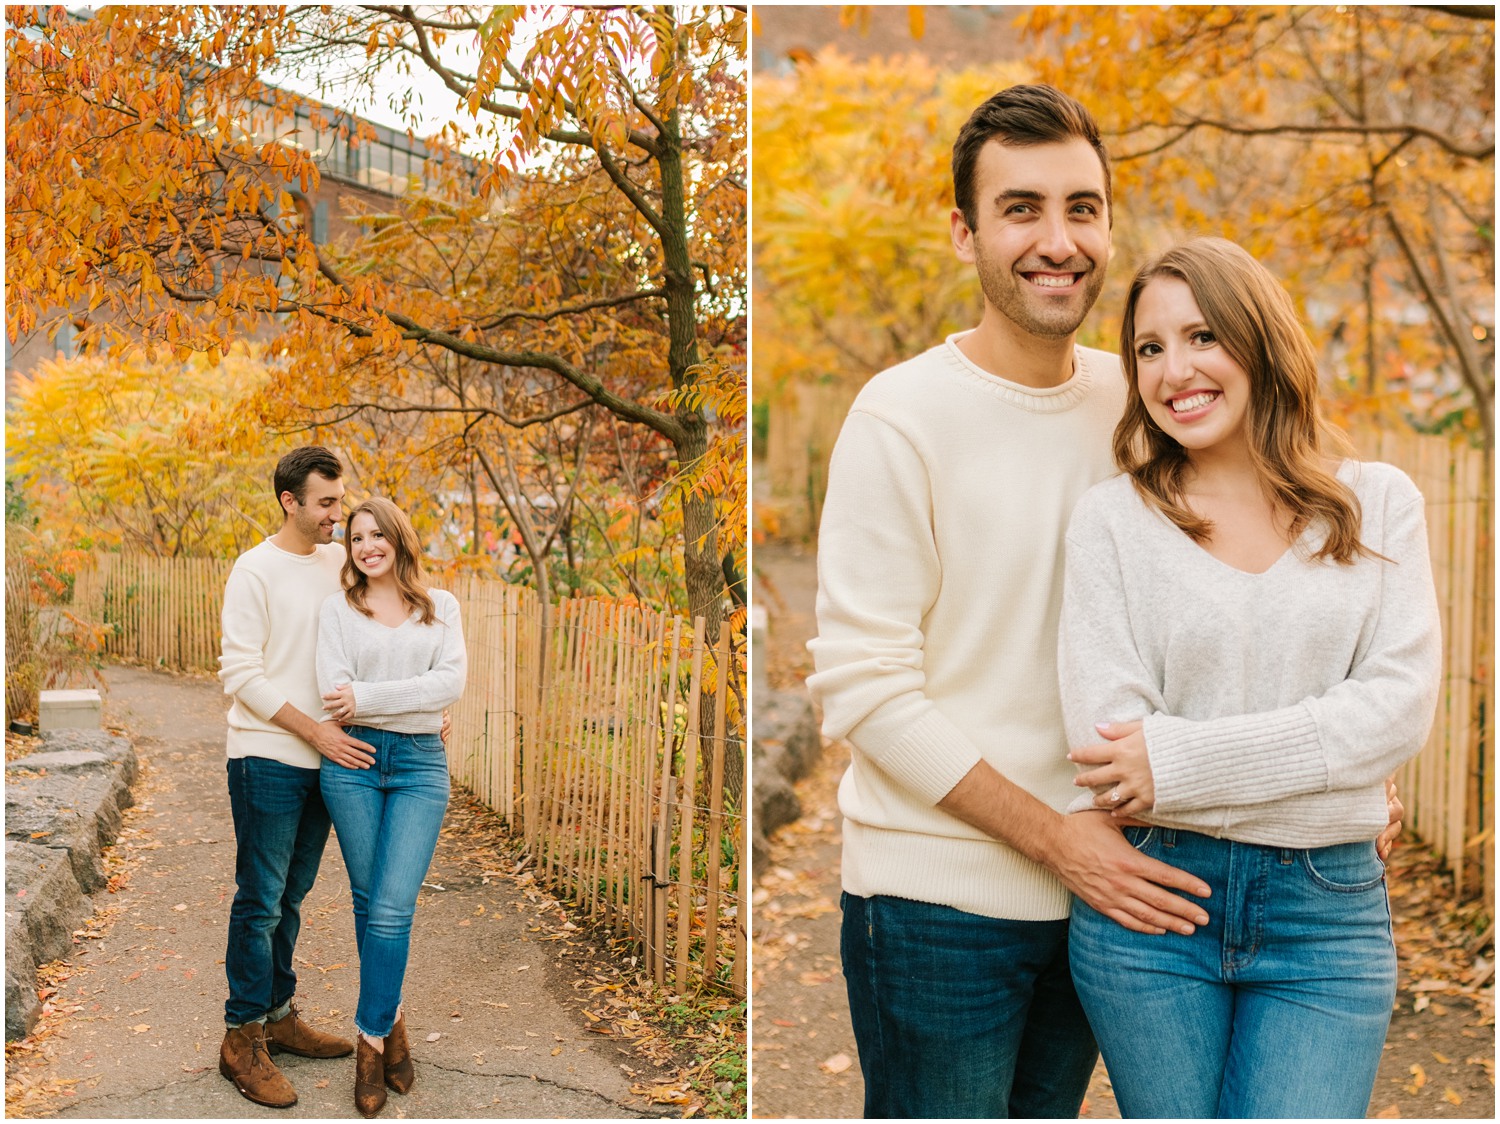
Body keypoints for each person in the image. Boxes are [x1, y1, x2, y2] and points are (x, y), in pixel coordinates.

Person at [806, 85, 1220, 1120]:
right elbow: (866, 687)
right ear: (966, 230)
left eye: (1082, 207)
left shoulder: (1145, 405)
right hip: (936, 902)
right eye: (1022, 207)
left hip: (1105, 902)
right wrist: (1056, 837)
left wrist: (1356, 788)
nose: (1058, 239)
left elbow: (1236, 600)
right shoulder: (900, 416)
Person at [1058, 237, 1441, 1119]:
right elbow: (1112, 744)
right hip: (1153, 905)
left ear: (1260, 340)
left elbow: (1398, 707)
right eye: (1148, 349)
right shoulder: (1112, 522)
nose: (1173, 370)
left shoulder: (1380, 504)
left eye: (1202, 337)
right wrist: (1321, 765)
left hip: (1327, 912)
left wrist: (1180, 765)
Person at [218, 446, 377, 1108]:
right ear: (291, 501)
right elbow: (240, 673)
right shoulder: (254, 571)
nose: (338, 514)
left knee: (291, 897)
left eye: (340, 500)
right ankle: (240, 1036)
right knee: (260, 899)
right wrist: (311, 729)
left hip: (328, 761)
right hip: (267, 756)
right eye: (327, 503)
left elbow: (373, 640)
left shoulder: (341, 564)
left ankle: (279, 1015)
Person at [316, 496, 466, 1117]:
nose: (368, 546)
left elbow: (449, 684)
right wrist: (413, 703)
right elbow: (335, 698)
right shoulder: (338, 611)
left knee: (391, 907)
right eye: (356, 538)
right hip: (351, 764)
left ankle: (370, 1037)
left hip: (420, 767)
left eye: (378, 534)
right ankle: (394, 1018)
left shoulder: (441, 608)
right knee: (368, 900)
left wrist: (373, 697)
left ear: (400, 539)